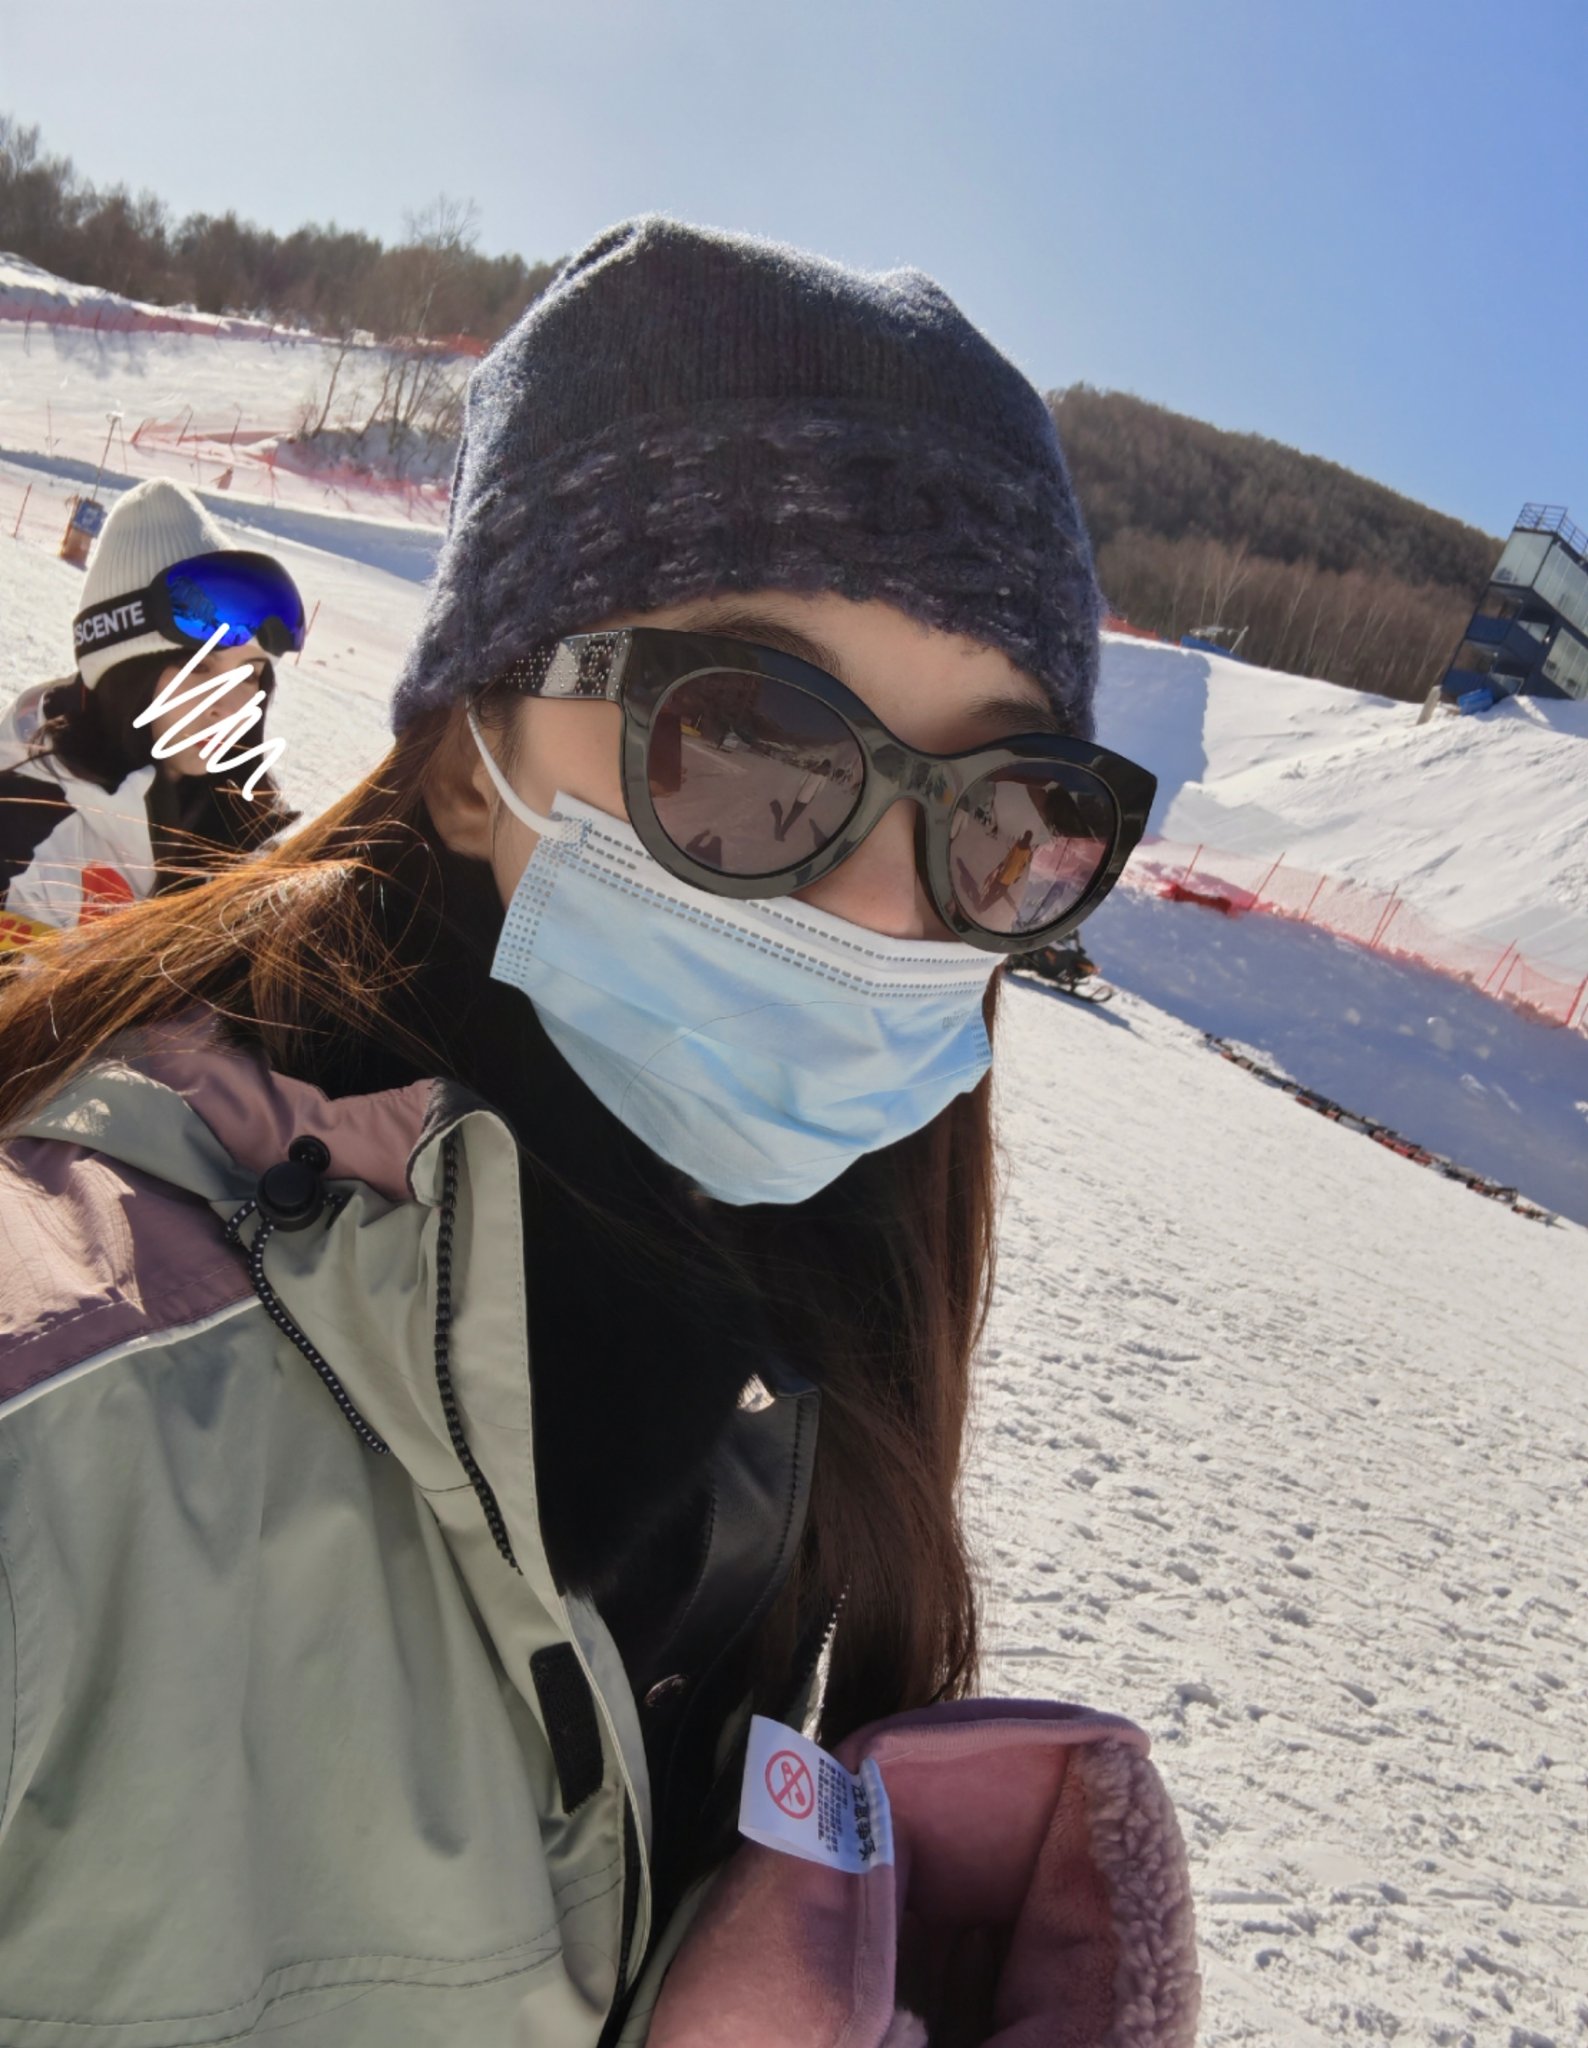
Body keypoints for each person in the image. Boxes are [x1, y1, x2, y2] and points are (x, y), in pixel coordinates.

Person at [0, 220, 1167, 2045]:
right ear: (474, 757)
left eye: (1004, 810)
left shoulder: (780, 1384)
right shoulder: (69, 1418)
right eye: (751, 740)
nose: (884, 909)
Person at [0, 478, 301, 948]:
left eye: (250, 675)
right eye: (199, 668)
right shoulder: (27, 833)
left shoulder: (242, 826)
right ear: (125, 675)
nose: (229, 706)